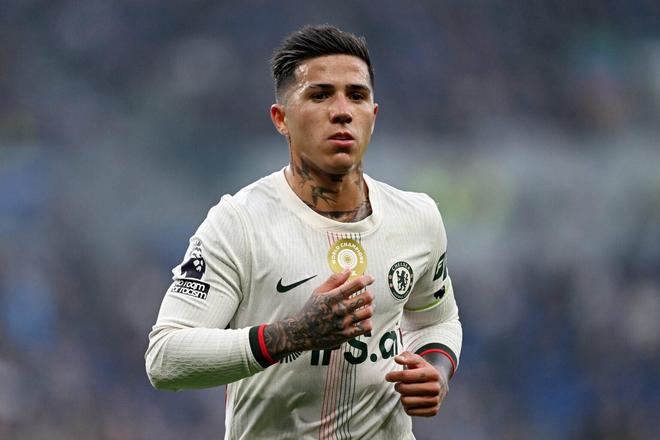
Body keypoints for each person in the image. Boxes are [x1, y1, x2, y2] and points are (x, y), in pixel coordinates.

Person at [145, 25, 462, 440]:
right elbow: (165, 359)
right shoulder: (238, 223)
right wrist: (294, 334)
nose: (342, 111)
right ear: (282, 119)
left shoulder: (418, 218)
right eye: (320, 95)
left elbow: (437, 319)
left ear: (373, 115)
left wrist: (436, 369)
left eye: (356, 96)